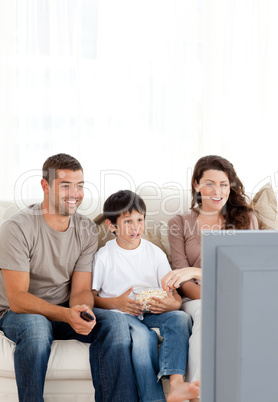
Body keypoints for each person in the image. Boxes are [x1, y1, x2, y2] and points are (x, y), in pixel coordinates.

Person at [0, 153, 139, 402]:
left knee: (115, 324)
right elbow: (18, 299)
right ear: (45, 186)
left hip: (64, 309)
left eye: (80, 186)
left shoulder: (85, 229)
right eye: (65, 186)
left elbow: (81, 290)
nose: (75, 193)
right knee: (37, 327)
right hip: (18, 314)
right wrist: (66, 315)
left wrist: (81, 311)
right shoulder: (17, 228)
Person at [162, 155, 259, 402]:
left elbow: (247, 272)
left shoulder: (245, 219)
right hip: (197, 297)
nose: (218, 191)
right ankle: (198, 392)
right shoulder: (179, 223)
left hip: (236, 293)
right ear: (196, 184)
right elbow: (181, 279)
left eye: (224, 184)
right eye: (210, 183)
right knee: (208, 310)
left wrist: (198, 273)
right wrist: (213, 294)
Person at [92, 190, 200, 402]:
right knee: (143, 340)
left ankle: (176, 382)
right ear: (111, 225)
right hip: (120, 314)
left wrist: (172, 305)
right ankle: (153, 399)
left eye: (140, 220)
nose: (136, 227)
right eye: (128, 221)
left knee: (182, 318)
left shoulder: (154, 252)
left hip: (150, 311)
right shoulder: (104, 256)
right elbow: (91, 296)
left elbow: (174, 295)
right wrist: (117, 303)